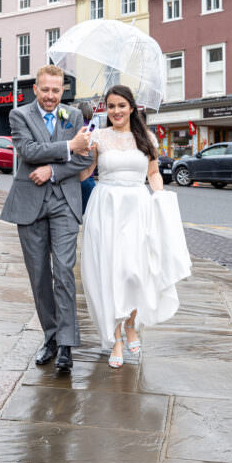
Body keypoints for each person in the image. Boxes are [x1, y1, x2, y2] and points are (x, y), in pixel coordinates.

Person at [79, 85, 192, 369]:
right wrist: (82, 150)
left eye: (121, 105)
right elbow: (85, 174)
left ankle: (132, 323)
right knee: (110, 272)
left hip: (138, 209)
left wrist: (160, 200)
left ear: (131, 108)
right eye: (111, 106)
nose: (116, 111)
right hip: (106, 209)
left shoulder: (147, 138)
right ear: (105, 109)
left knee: (135, 271)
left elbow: (153, 174)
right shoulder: (97, 137)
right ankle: (116, 337)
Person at [0, 65, 93, 373]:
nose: (51, 96)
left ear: (62, 90)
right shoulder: (20, 116)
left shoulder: (75, 116)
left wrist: (53, 170)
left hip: (65, 201)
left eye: (57, 90)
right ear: (36, 90)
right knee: (39, 276)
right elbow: (28, 151)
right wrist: (67, 147)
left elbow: (85, 158)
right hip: (30, 204)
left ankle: (67, 344)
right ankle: (50, 338)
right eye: (46, 90)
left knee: (64, 270)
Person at [76, 101, 97, 214]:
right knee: (90, 211)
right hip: (89, 175)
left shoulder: (76, 127)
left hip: (76, 174)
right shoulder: (92, 127)